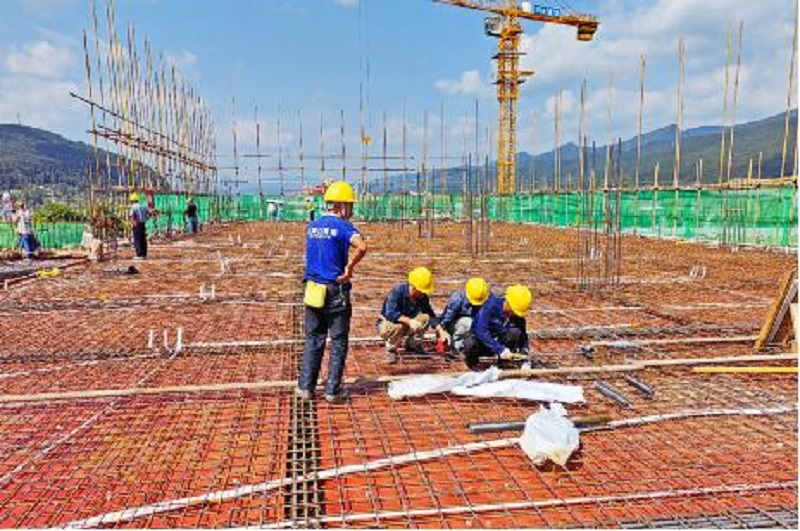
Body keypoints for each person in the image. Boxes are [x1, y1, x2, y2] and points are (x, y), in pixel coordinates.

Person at [296, 181, 367, 404]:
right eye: (349, 205)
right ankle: (332, 391)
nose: (351, 210)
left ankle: (305, 388)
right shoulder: (344, 227)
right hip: (335, 290)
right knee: (338, 341)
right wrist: (349, 268)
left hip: (312, 289)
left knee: (313, 338)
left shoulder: (313, 225)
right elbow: (362, 246)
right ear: (341, 205)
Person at [377, 266, 450, 364]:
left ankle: (413, 345)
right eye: (422, 290)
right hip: (389, 324)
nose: (424, 293)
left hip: (408, 324)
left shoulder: (422, 296)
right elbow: (390, 313)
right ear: (414, 287)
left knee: (425, 318)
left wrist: (441, 331)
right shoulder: (397, 291)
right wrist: (409, 321)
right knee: (398, 326)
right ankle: (391, 350)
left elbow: (430, 314)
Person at [463, 284, 533, 370]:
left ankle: (504, 363)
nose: (515, 314)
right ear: (507, 302)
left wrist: (524, 355)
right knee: (469, 343)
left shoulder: (517, 316)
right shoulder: (490, 306)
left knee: (515, 332)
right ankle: (473, 364)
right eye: (513, 310)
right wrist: (500, 349)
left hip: (500, 344)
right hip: (483, 344)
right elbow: (481, 331)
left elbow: (523, 337)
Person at [439, 277, 491, 359]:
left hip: (469, 327)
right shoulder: (457, 299)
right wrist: (442, 333)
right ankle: (456, 347)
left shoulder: (483, 296)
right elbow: (446, 319)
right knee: (469, 323)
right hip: (456, 326)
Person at [129, 193, 150, 260]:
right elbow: (148, 214)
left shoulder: (133, 206)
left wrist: (133, 223)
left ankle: (139, 255)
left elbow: (132, 216)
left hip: (137, 223)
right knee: (143, 239)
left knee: (137, 240)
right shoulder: (144, 206)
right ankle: (144, 254)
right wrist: (145, 220)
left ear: (132, 200)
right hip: (142, 224)